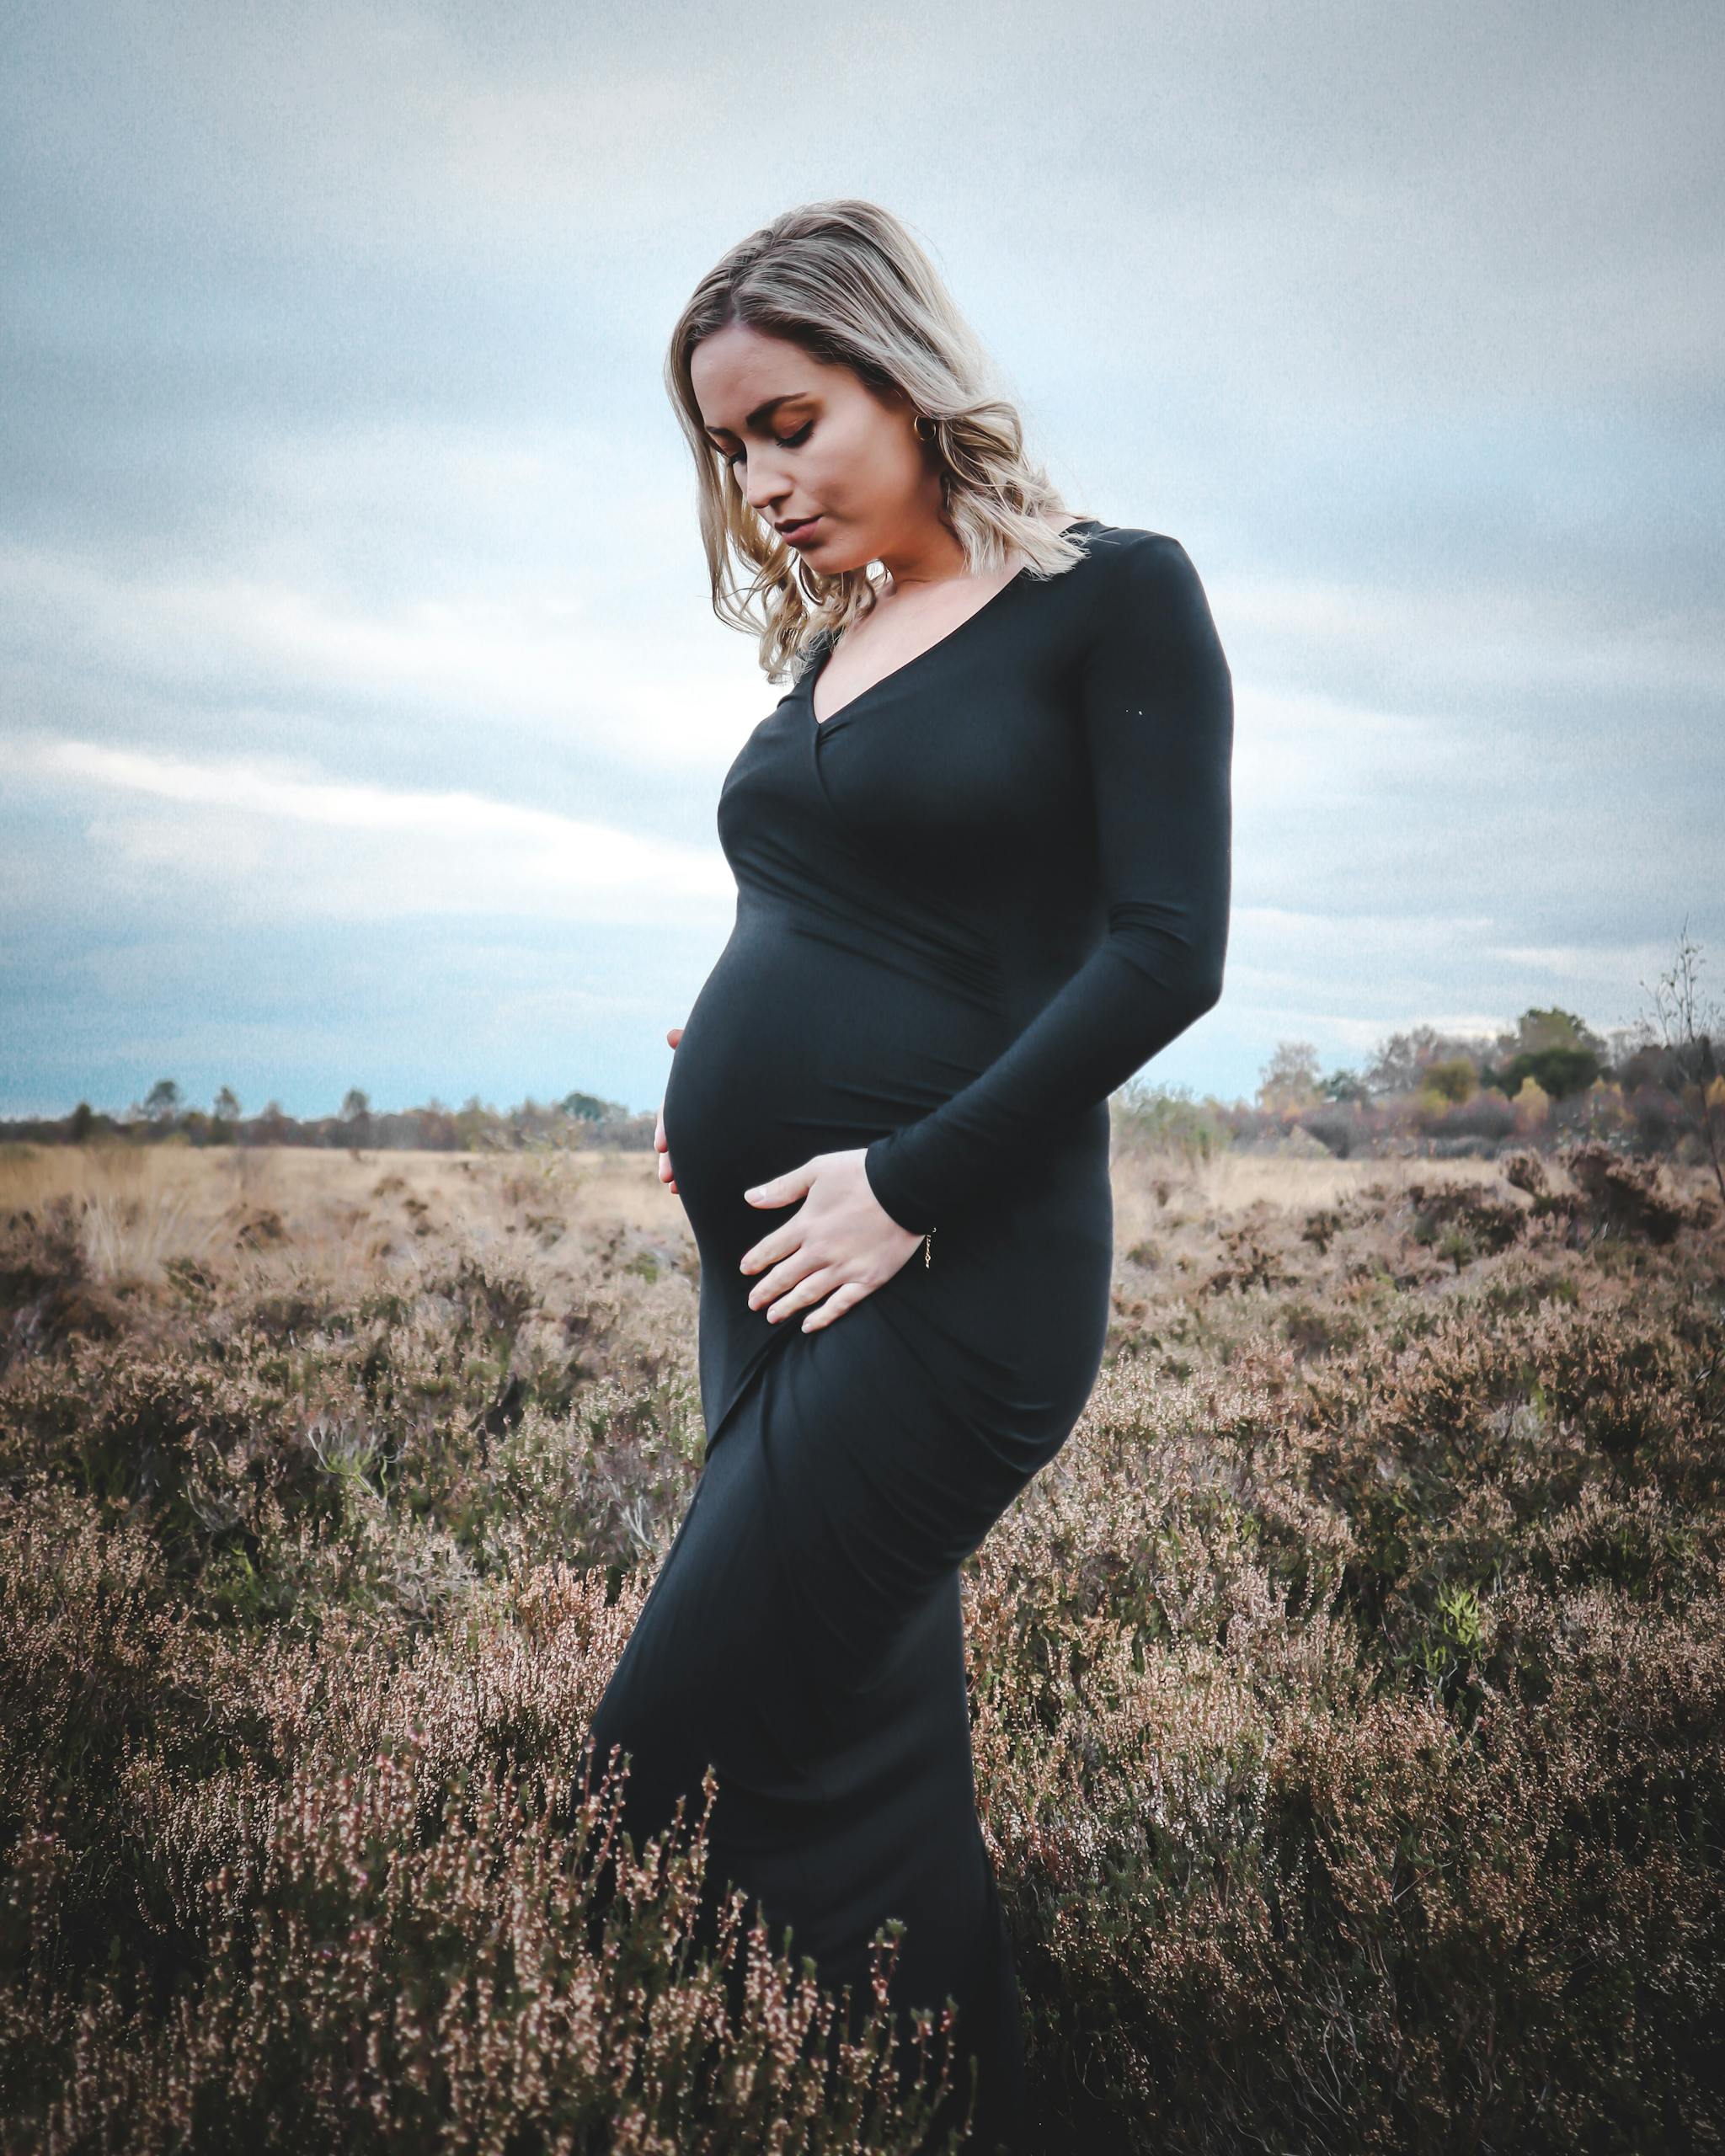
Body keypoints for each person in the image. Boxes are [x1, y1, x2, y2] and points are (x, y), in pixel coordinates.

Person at [581, 197, 1233, 2153]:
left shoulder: (1112, 595)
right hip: (780, 1268)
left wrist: (911, 1179)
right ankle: (957, 2112)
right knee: (845, 1765)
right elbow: (864, 901)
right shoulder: (840, 637)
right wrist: (743, 1036)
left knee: (654, 1770)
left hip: (952, 1271)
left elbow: (1162, 951)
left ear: (904, 372)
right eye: (728, 450)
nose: (760, 480)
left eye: (788, 422)